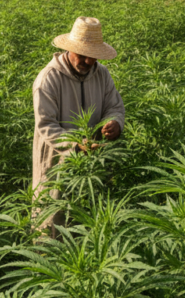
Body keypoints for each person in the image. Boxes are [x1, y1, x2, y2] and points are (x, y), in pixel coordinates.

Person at [32, 16, 125, 232]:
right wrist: (76, 145)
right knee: (53, 224)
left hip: (94, 164)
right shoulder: (49, 79)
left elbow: (115, 106)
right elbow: (46, 125)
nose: (88, 62)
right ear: (69, 49)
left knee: (89, 223)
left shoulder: (101, 74)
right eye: (82, 55)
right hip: (59, 163)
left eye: (93, 57)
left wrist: (114, 122)